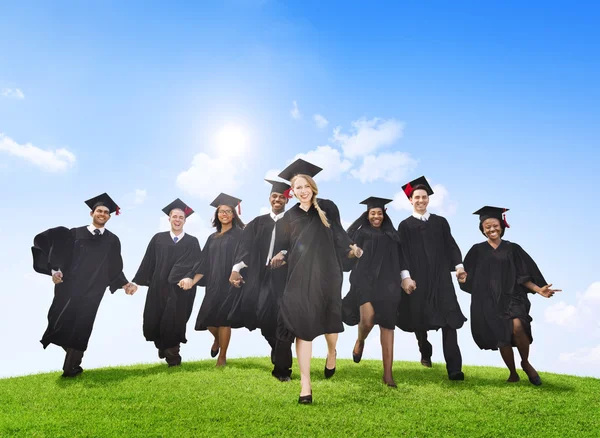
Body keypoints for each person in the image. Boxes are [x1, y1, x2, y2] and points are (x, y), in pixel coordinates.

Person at [270, 159, 363, 404]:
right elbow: (282, 246)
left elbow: (340, 233)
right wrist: (279, 255)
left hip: (328, 273)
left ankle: (332, 352)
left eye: (305, 185)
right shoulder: (288, 217)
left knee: (330, 326)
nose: (302, 190)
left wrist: (352, 248)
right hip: (299, 276)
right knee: (303, 328)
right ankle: (305, 385)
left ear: (312, 186)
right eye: (297, 187)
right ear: (292, 191)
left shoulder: (328, 207)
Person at [31, 193, 136, 377]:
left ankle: (71, 367)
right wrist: (54, 271)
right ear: (92, 213)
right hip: (68, 288)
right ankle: (72, 353)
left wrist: (125, 284)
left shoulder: (112, 240)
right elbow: (58, 255)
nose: (102, 214)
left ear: (109, 216)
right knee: (59, 321)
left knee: (83, 325)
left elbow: (114, 267)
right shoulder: (74, 234)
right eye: (99, 211)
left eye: (105, 212)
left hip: (93, 291)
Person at [458, 206, 560, 385]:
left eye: (495, 225)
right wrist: (463, 277)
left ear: (501, 226)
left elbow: (523, 276)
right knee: (502, 337)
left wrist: (539, 289)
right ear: (482, 229)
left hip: (513, 297)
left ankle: (525, 363)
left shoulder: (513, 249)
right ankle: (513, 373)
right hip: (488, 301)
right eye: (487, 226)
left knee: (518, 326)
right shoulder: (476, 250)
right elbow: (467, 277)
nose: (491, 229)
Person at [396, 176, 467, 381]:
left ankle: (454, 368)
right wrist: (406, 277)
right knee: (420, 319)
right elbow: (402, 254)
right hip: (418, 279)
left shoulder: (440, 222)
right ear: (410, 200)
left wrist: (459, 266)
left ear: (428, 199)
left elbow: (451, 245)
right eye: (416, 197)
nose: (420, 200)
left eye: (424, 197)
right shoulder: (405, 225)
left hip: (441, 278)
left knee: (450, 320)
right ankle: (424, 349)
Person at [227, 179, 294, 382]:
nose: (277, 200)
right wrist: (236, 269)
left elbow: (300, 245)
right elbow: (244, 247)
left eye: (282, 197)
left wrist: (285, 254)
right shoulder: (257, 223)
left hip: (286, 278)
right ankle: (277, 348)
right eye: (275, 196)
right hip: (261, 276)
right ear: (269, 198)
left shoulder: (294, 223)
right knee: (264, 319)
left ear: (287, 200)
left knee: (284, 321)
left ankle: (282, 370)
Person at [130, 198, 202, 367]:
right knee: (155, 319)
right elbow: (147, 262)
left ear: (185, 220)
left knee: (174, 321)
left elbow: (199, 264)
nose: (177, 220)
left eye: (181, 217)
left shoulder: (192, 241)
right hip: (158, 287)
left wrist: (190, 278)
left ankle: (173, 358)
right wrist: (136, 283)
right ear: (169, 218)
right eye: (174, 216)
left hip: (180, 290)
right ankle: (162, 344)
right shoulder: (158, 239)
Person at [342, 197, 403, 387]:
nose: (376, 216)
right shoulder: (360, 234)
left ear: (384, 214)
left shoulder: (392, 235)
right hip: (364, 281)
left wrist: (403, 279)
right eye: (372, 213)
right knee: (368, 319)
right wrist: (353, 253)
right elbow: (347, 258)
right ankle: (360, 340)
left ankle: (388, 374)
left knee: (387, 325)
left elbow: (401, 259)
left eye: (379, 213)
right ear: (367, 215)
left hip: (388, 284)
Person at [180, 193, 244, 367]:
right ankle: (217, 339)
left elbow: (245, 256)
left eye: (228, 211)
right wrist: (192, 280)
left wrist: (237, 273)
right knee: (207, 319)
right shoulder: (212, 238)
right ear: (217, 215)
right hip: (213, 283)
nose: (224, 214)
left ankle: (222, 356)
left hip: (231, 282)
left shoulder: (240, 235)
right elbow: (203, 263)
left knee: (224, 319)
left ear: (233, 214)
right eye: (221, 211)